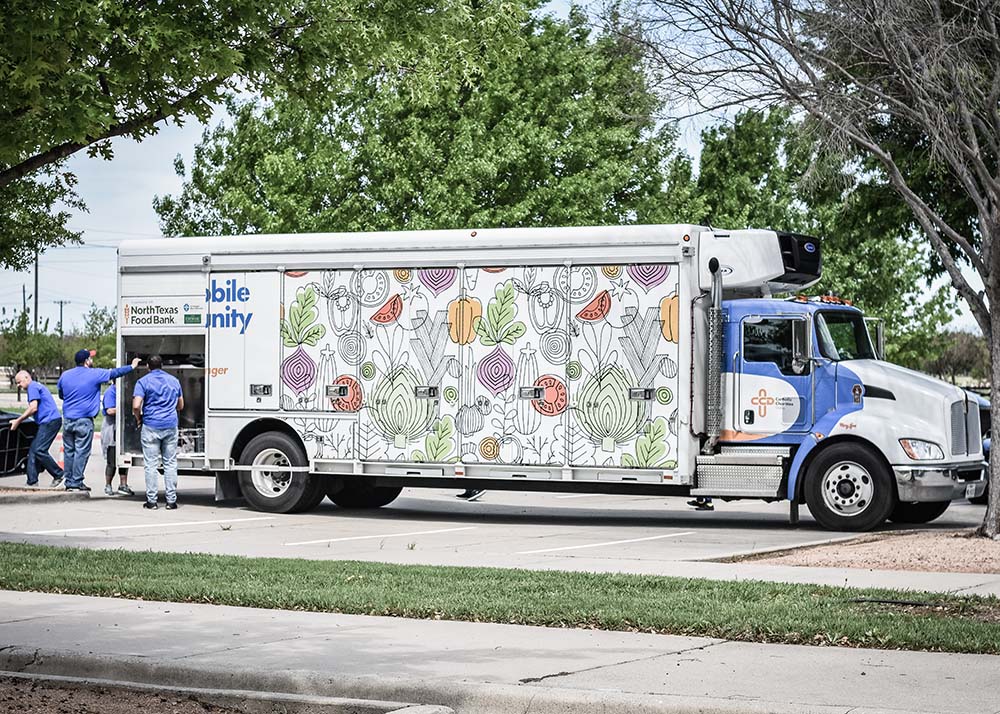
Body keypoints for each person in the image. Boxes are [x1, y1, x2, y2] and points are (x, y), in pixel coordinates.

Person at [57, 349, 139, 492]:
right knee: (81, 452)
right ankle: (76, 481)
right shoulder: (94, 374)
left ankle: (69, 482)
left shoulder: (65, 375)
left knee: (69, 451)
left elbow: (61, 394)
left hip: (68, 419)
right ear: (87, 361)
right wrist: (132, 366)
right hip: (84, 420)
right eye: (90, 358)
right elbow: (115, 373)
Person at [132, 354, 183, 510]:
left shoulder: (143, 382)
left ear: (148, 366)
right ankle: (171, 501)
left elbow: (136, 405)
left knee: (151, 465)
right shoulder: (174, 381)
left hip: (151, 426)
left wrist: (139, 417)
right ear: (162, 366)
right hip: (170, 425)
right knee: (170, 463)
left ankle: (152, 502)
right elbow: (180, 405)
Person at [10, 371, 65, 488]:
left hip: (50, 421)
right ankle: (32, 481)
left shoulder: (32, 387)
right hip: (49, 421)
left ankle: (58, 473)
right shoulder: (36, 386)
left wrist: (18, 420)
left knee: (39, 449)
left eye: (19, 382)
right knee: (34, 450)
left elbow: (33, 408)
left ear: (26, 378)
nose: (18, 385)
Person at [101, 384, 133, 496]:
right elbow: (110, 410)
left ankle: (123, 485)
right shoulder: (111, 392)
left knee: (124, 458)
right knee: (112, 459)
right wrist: (126, 408)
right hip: (112, 428)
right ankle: (108, 485)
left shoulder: (125, 390)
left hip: (122, 428)